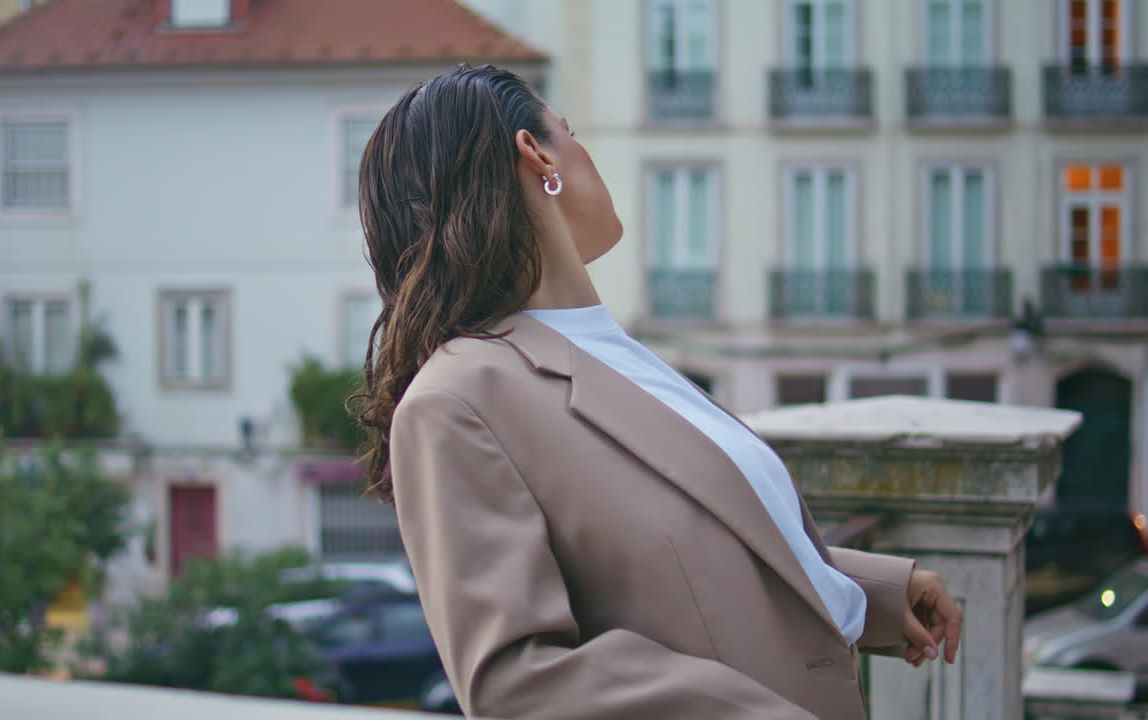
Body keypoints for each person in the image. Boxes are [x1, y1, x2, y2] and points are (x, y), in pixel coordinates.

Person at [352, 64, 962, 720]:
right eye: (570, 130)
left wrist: (866, 592)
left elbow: (677, 551)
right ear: (533, 153)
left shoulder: (610, 350)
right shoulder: (458, 399)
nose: (584, 148)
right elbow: (515, 681)